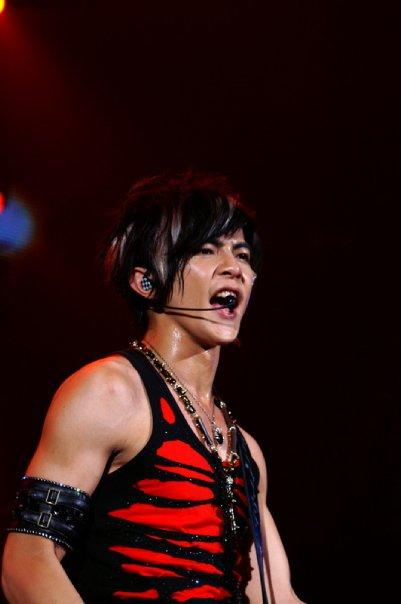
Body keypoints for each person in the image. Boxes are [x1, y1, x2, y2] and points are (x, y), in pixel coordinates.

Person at [2, 171, 305, 603]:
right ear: (146, 282)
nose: (234, 268)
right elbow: (27, 562)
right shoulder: (109, 392)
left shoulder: (246, 452)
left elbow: (278, 596)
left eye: (241, 254)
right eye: (205, 250)